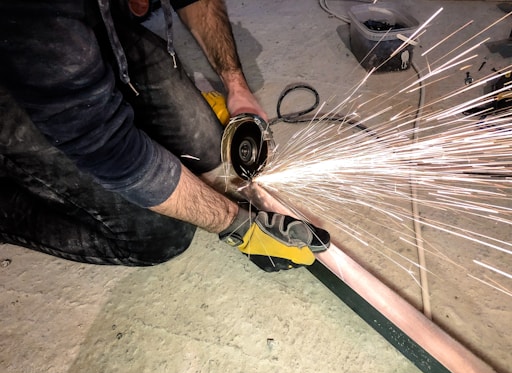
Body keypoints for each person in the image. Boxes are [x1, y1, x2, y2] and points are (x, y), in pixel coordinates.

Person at [0, 0, 330, 271]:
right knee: (161, 233)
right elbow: (106, 146)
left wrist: (236, 85)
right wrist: (238, 226)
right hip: (15, 67)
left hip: (90, 23)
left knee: (211, 157)